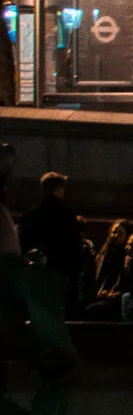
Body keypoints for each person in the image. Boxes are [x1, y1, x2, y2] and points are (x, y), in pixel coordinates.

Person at [0, 146, 76, 373]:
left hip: (16, 272)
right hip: (16, 273)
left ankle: (56, 353)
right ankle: (59, 354)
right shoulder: (64, 217)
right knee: (38, 286)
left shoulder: (28, 216)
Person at [18, 172, 90, 304]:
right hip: (62, 273)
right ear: (58, 189)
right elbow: (74, 248)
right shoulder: (67, 216)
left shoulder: (30, 216)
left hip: (37, 274)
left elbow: (23, 246)